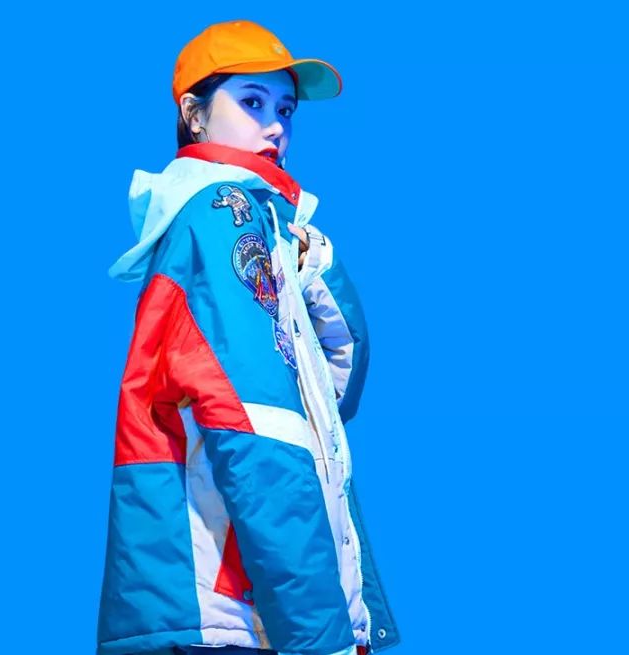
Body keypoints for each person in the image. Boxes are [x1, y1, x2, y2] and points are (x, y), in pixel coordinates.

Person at [96, 20, 400, 655]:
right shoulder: (223, 217)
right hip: (227, 618)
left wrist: (315, 266)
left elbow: (328, 403)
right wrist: (319, 638)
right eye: (252, 102)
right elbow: (262, 437)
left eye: (285, 110)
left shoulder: (265, 229)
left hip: (236, 613)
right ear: (194, 115)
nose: (275, 127)